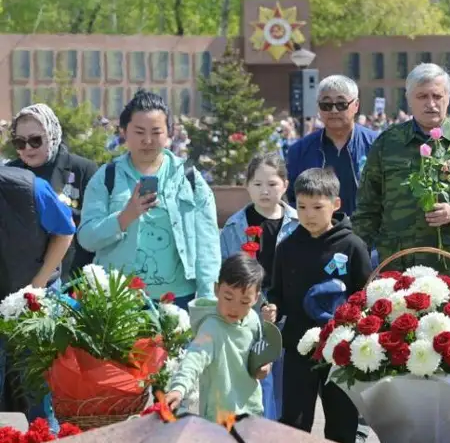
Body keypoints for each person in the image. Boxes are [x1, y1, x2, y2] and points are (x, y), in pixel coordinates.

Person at [78, 90, 220, 310]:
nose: (147, 140)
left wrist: (207, 298)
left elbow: (207, 241)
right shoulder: (107, 177)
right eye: (139, 131)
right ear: (124, 132)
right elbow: (86, 238)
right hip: (119, 300)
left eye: (156, 132)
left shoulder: (189, 177)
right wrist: (125, 217)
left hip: (178, 300)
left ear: (169, 133)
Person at [353, 63, 450, 274]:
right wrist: (358, 256)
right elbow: (368, 207)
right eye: (422, 96)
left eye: (437, 96)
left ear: (448, 98)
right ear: (409, 99)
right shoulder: (387, 144)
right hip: (399, 265)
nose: (430, 103)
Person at [271, 168, 371, 443]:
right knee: (294, 422)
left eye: (317, 207)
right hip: (298, 348)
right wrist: (273, 308)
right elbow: (276, 292)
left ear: (335, 204)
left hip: (340, 349)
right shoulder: (287, 248)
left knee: (341, 422)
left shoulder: (352, 246)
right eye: (301, 207)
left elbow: (365, 295)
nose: (308, 214)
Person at [219, 152, 298, 421]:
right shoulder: (234, 226)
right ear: (247, 186)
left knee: (287, 386)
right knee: (254, 380)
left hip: (289, 313)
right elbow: (227, 272)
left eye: (272, 184)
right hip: (249, 315)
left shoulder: (299, 224)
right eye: (257, 184)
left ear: (285, 185)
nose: (265, 191)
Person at [0, 166, 76, 429]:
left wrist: (36, 286)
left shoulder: (29, 188)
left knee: (39, 395)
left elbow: (65, 231)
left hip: (33, 297)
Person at [164, 253, 273, 419]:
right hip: (218, 416)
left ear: (256, 298)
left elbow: (260, 353)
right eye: (228, 297)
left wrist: (265, 366)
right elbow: (194, 358)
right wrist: (178, 388)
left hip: (251, 410)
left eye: (244, 301)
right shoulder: (210, 328)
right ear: (216, 289)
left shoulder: (252, 320)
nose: (234, 308)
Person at [7, 104, 98, 281]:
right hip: (22, 279)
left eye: (35, 140)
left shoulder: (83, 169)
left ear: (52, 136)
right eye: (19, 142)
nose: (27, 148)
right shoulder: (10, 173)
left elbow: (92, 222)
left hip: (71, 278)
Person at [286, 75, 377, 218]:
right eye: (326, 105)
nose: (334, 111)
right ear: (319, 108)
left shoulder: (377, 145)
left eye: (341, 104)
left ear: (356, 105)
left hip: (367, 235)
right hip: (317, 236)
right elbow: (291, 200)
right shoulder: (299, 151)